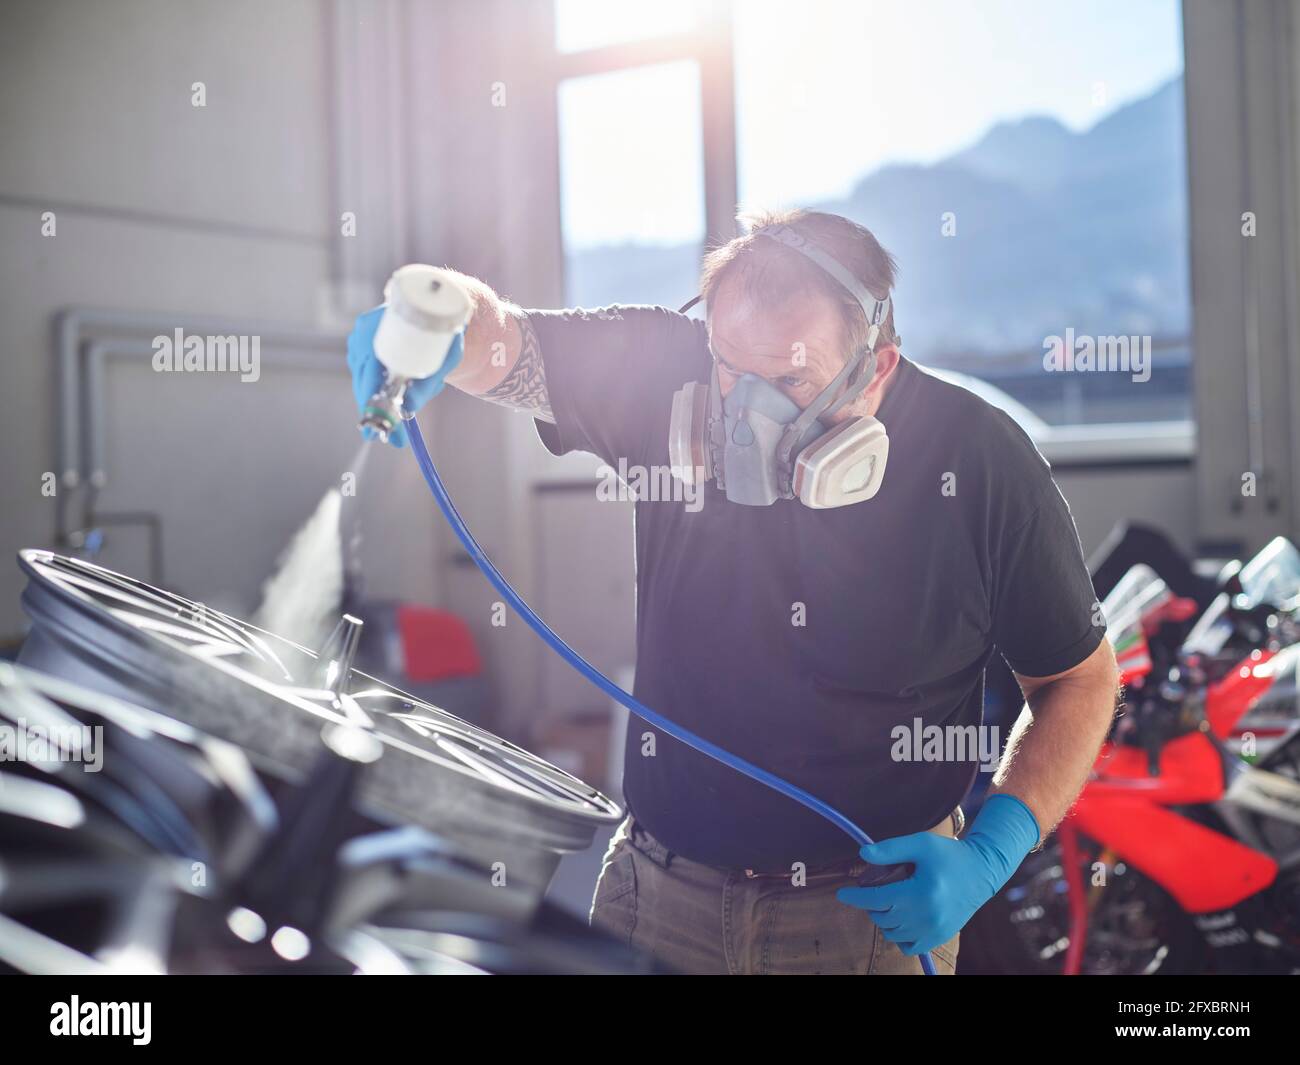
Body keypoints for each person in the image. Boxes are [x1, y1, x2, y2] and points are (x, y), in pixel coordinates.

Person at [347, 208, 1119, 974]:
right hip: (656, 893)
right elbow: (504, 344)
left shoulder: (982, 464)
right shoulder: (662, 373)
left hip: (863, 919)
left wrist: (991, 851)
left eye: (788, 379)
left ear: (876, 365)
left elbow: (1079, 681)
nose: (749, 414)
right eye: (729, 367)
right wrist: (429, 324)